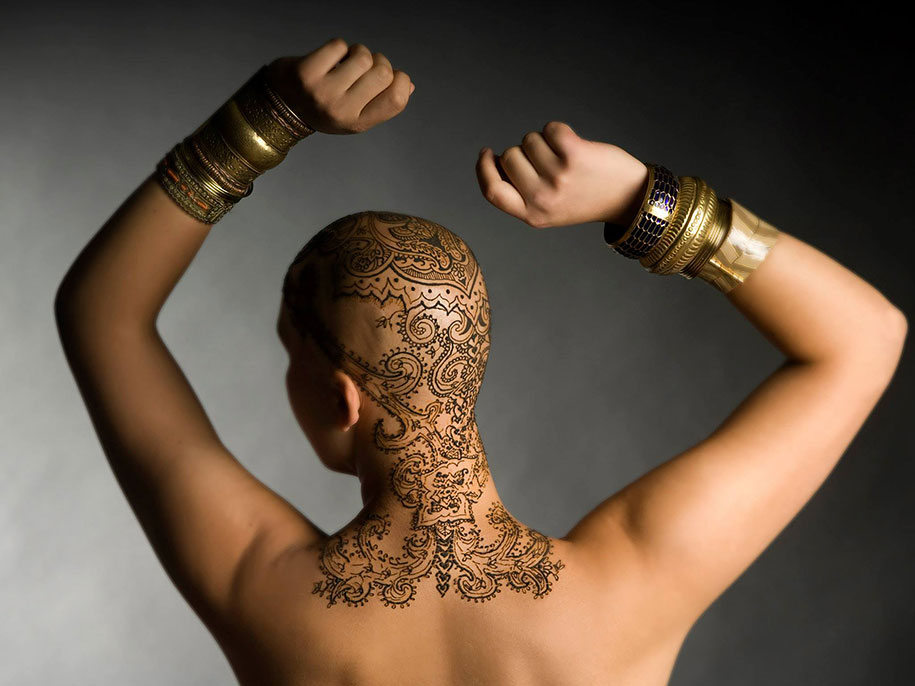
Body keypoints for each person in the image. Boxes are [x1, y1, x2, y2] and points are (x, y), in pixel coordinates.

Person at [54, 37, 907, 686]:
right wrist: (640, 201)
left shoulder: (264, 589)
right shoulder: (634, 579)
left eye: (292, 357)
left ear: (343, 397)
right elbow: (862, 341)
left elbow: (101, 315)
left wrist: (264, 118)